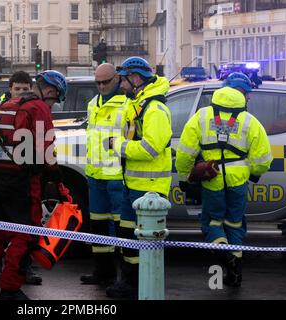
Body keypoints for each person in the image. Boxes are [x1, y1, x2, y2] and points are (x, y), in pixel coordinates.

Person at [0, 70, 68, 300]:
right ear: (50, 91)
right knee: (25, 235)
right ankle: (10, 289)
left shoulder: (8, 104)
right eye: (55, 98)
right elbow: (46, 151)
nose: (53, 104)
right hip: (22, 182)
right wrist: (58, 182)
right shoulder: (38, 108)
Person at [175, 72, 272, 287]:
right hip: (238, 181)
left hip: (212, 179)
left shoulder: (202, 116)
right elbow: (263, 158)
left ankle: (224, 254)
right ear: (243, 93)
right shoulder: (250, 121)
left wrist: (185, 176)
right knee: (235, 225)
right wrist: (253, 172)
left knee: (212, 223)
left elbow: (184, 152)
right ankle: (234, 269)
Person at [107, 57, 173, 299]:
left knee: (141, 240)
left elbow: (150, 148)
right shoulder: (139, 104)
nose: (120, 85)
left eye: (123, 80)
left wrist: (119, 146)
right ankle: (129, 281)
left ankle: (136, 284)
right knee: (126, 235)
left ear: (136, 79)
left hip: (149, 190)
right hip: (133, 185)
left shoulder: (155, 109)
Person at [0, 70, 43, 286]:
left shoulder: (29, 109)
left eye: (25, 89)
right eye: (17, 89)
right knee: (3, 229)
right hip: (0, 178)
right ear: (9, 89)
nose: (21, 92)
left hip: (18, 175)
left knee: (20, 229)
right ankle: (0, 269)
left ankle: (23, 268)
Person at [80, 63, 126, 286]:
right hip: (96, 175)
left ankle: (124, 276)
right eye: (97, 82)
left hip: (117, 174)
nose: (100, 86)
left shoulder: (127, 103)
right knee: (97, 226)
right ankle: (102, 271)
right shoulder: (93, 104)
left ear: (116, 78)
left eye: (105, 82)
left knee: (122, 227)